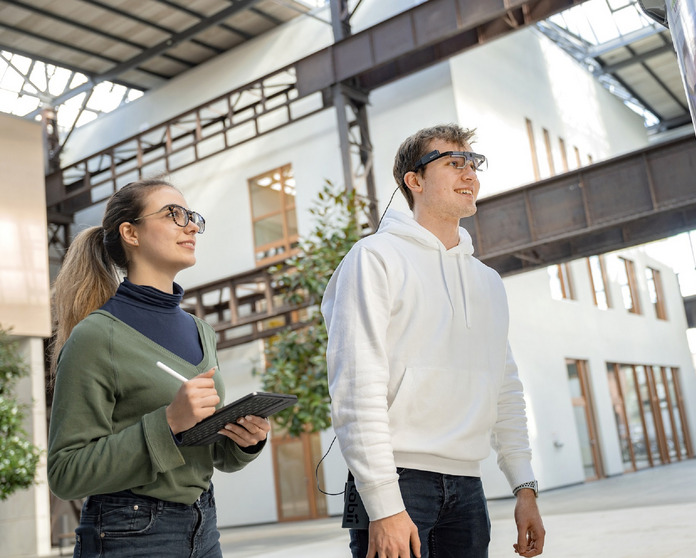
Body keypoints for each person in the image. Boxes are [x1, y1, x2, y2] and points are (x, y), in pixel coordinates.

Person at [322, 124, 545, 558]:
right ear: (415, 180)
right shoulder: (374, 258)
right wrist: (384, 504)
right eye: (453, 163)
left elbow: (505, 387)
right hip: (398, 481)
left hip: (467, 484)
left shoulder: (488, 282)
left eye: (473, 164)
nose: (470, 175)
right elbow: (356, 386)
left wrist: (524, 486)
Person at [47, 177, 271, 557]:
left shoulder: (202, 331)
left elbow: (208, 453)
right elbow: (66, 472)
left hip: (204, 526)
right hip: (129, 533)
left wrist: (245, 440)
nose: (191, 225)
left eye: (192, 216)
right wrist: (167, 422)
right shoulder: (95, 337)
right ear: (130, 233)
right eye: (173, 214)